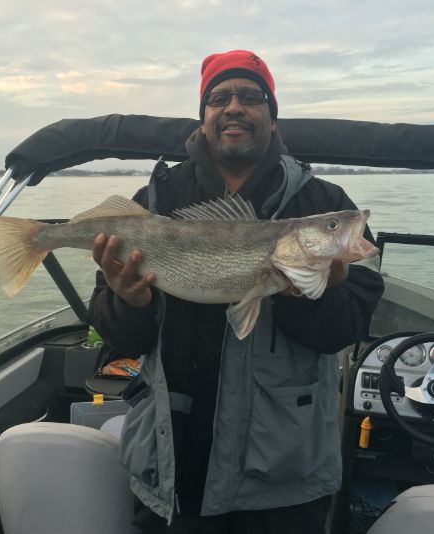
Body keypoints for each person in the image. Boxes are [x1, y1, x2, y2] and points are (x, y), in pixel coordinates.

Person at [88, 50, 384, 534]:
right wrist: (129, 302)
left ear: (271, 114)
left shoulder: (326, 203)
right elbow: (116, 334)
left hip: (281, 477)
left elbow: (348, 328)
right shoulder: (154, 204)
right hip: (173, 466)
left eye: (251, 97)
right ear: (203, 117)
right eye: (219, 98)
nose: (234, 108)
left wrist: (306, 294)